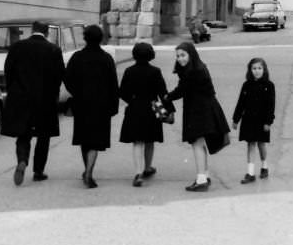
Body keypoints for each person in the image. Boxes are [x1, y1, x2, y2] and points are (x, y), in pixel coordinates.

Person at [1, 20, 65, 186]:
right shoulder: (54, 50)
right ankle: (38, 171)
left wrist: (13, 91)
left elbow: (8, 71)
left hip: (21, 98)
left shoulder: (17, 47)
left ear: (32, 30)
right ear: (47, 32)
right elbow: (59, 76)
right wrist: (55, 95)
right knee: (44, 137)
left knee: (23, 134)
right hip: (45, 100)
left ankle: (22, 160)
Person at [163, 40, 230, 192]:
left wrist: (168, 97)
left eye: (183, 55)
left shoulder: (194, 71)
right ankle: (204, 176)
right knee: (200, 143)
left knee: (197, 144)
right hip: (203, 109)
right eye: (178, 56)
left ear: (191, 54)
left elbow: (182, 90)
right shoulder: (195, 68)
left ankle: (201, 180)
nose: (180, 59)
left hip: (200, 110)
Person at [64, 23, 119, 188]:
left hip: (81, 103)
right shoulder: (107, 59)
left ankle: (86, 170)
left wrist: (76, 92)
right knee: (96, 141)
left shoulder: (77, 57)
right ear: (101, 38)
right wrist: (113, 105)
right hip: (101, 105)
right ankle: (89, 171)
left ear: (85, 38)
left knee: (84, 139)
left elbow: (67, 79)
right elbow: (113, 84)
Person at [118, 41, 168, 186]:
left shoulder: (129, 71)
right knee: (150, 140)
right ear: (151, 55)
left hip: (135, 107)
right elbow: (162, 92)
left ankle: (137, 173)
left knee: (137, 141)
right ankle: (147, 167)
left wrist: (132, 101)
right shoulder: (155, 71)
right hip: (153, 106)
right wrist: (168, 110)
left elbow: (123, 92)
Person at [232, 56, 276, 183]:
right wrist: (236, 119)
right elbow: (241, 103)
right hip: (249, 120)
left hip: (262, 121)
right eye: (254, 68)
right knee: (250, 144)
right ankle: (250, 173)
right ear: (250, 70)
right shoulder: (246, 85)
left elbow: (271, 105)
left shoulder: (269, 85)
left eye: (259, 68)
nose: (257, 71)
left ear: (264, 70)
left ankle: (264, 167)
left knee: (261, 144)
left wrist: (268, 121)